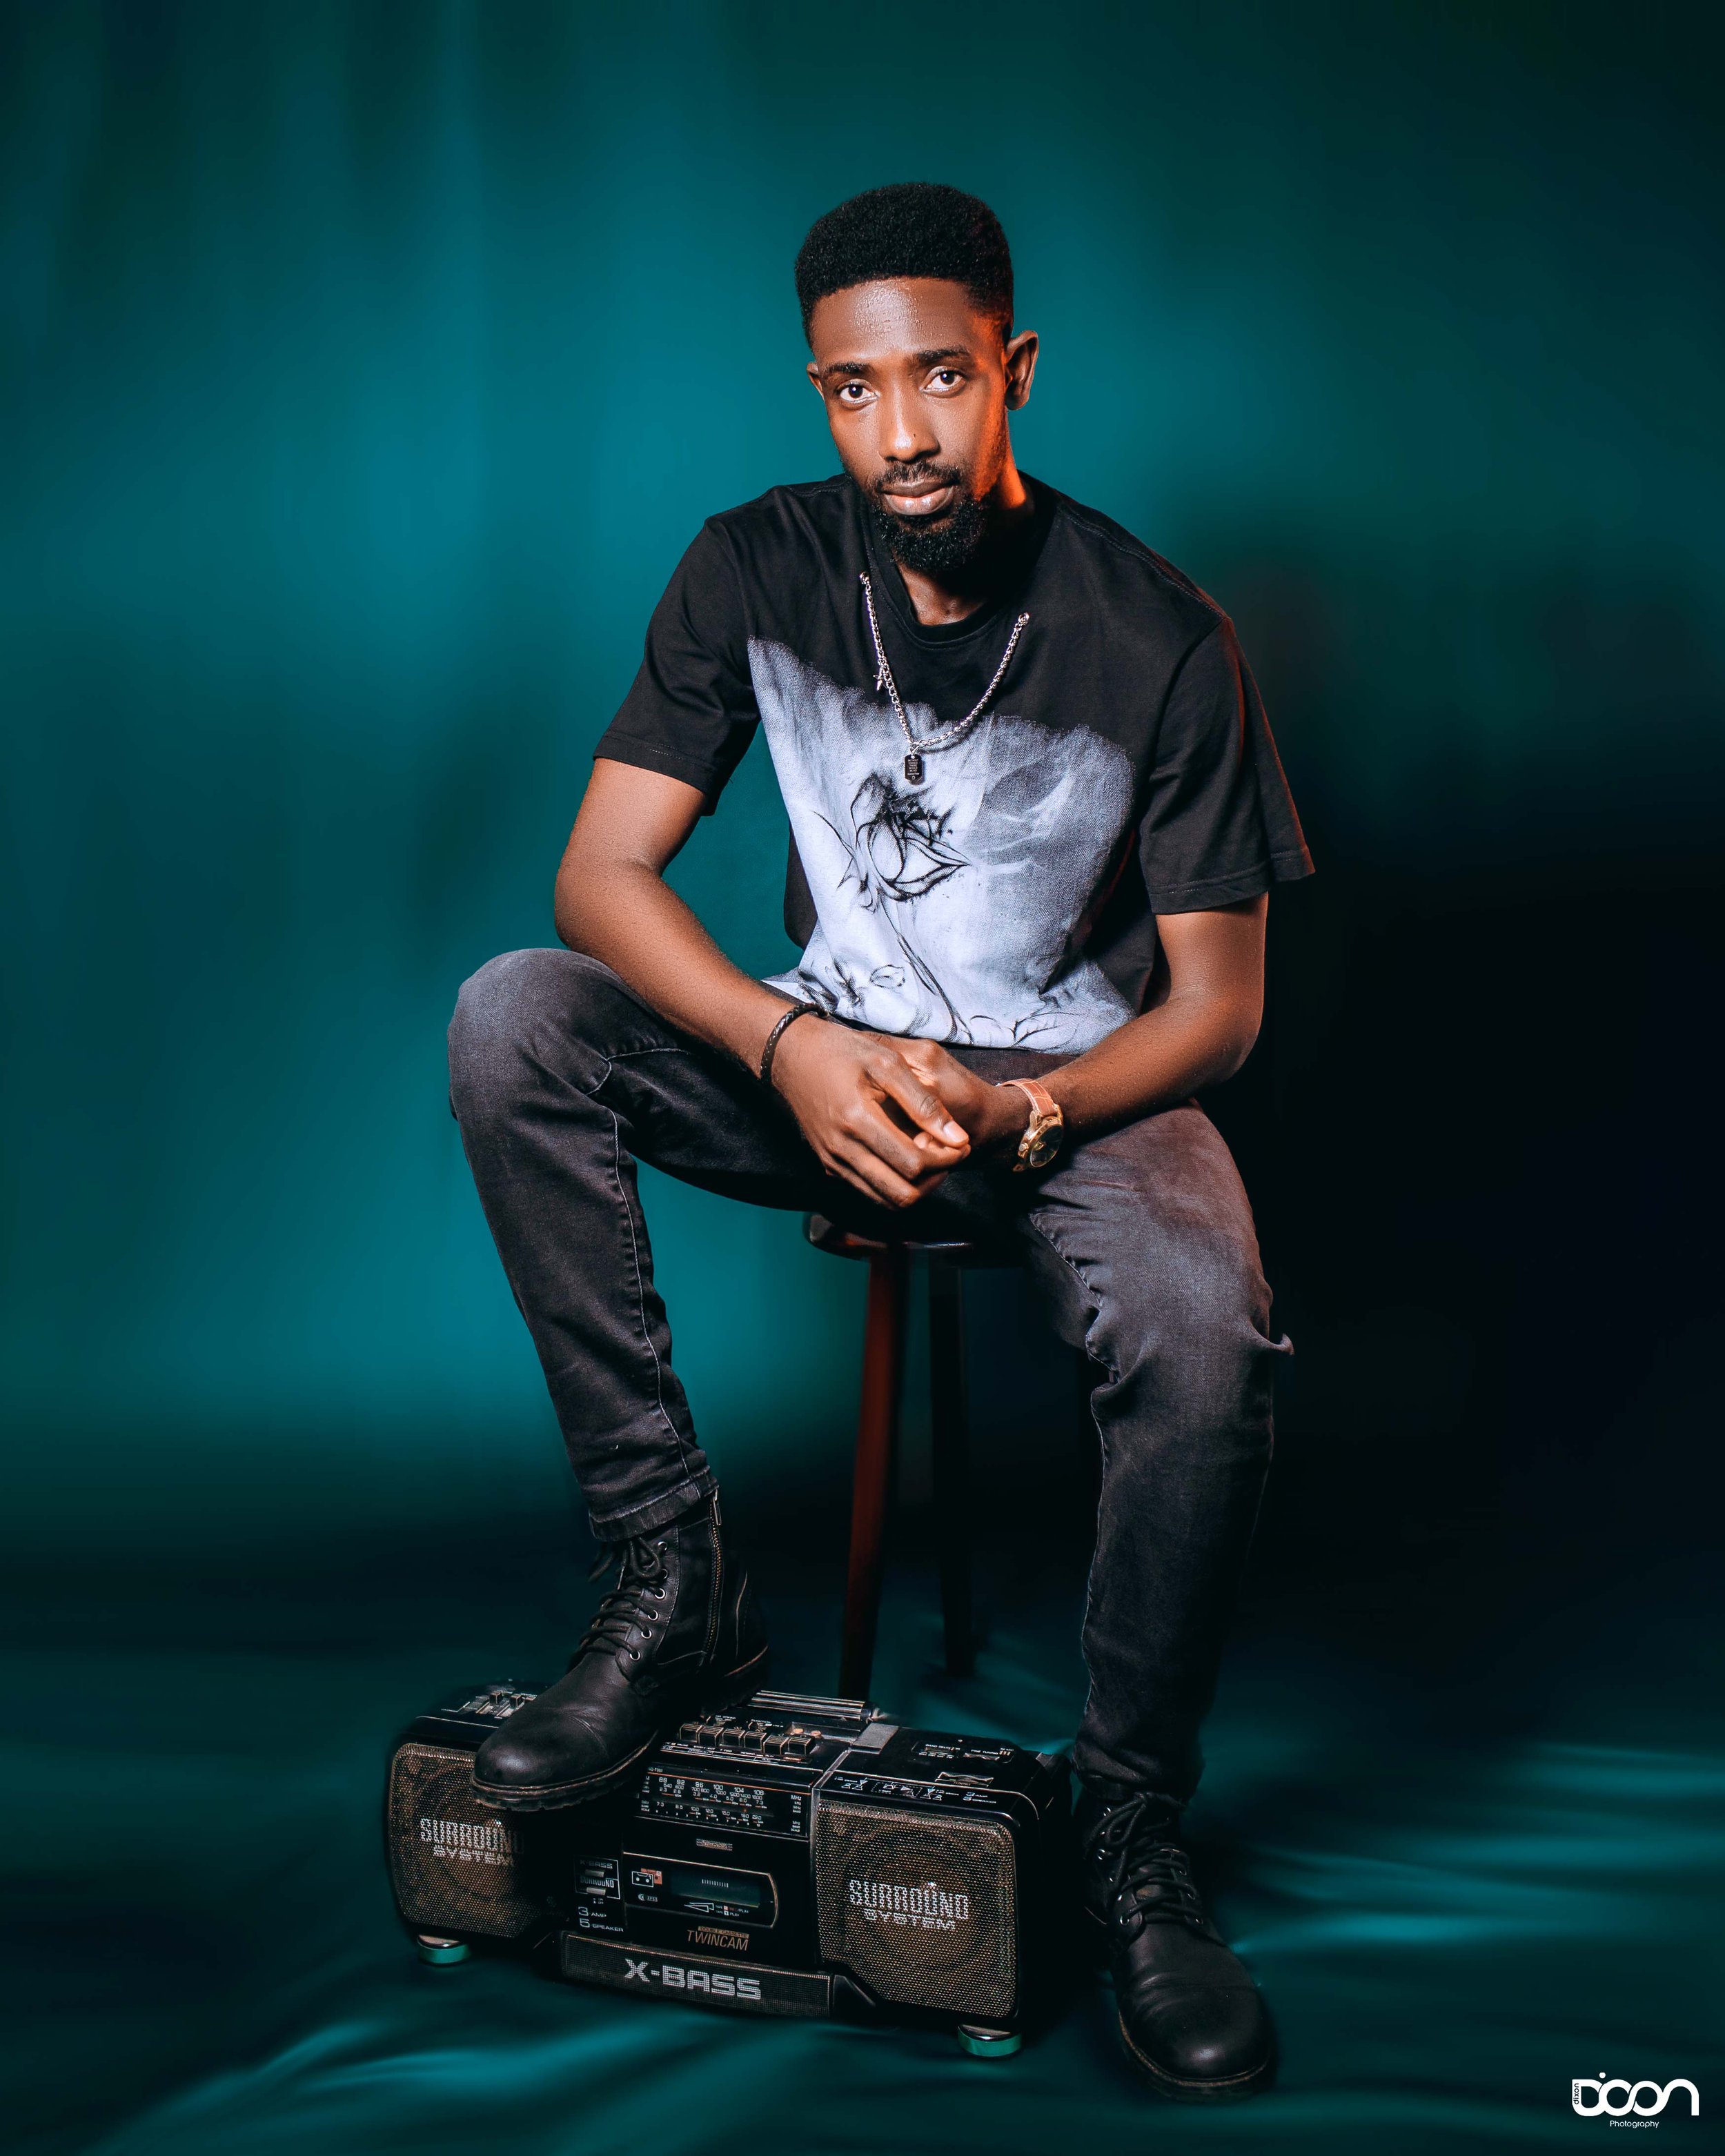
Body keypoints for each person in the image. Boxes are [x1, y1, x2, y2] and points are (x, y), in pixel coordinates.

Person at [447, 182, 1311, 2100]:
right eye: (852, 392)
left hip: (1070, 1098)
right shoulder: (750, 568)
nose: (898, 434)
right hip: (817, 1066)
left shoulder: (1158, 633)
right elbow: (602, 879)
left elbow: (1216, 1009)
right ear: (817, 397)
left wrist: (1026, 1106)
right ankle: (675, 1585)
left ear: (1009, 371)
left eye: (936, 379)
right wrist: (794, 1045)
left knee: (1205, 1332)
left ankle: (1131, 1831)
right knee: (512, 1014)